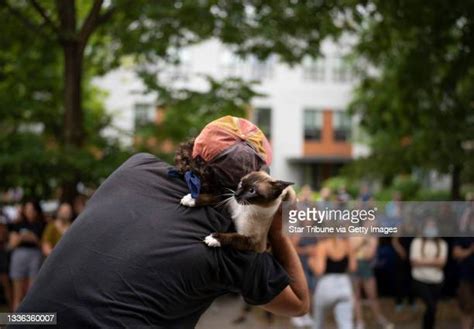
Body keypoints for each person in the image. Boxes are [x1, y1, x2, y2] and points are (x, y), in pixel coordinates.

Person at [16, 116, 309, 328]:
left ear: (195, 150)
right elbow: (298, 303)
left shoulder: (136, 167)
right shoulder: (232, 246)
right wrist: (277, 230)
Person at [309, 237, 356, 329]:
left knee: (318, 322)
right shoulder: (347, 244)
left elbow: (319, 270)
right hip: (344, 284)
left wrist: (311, 262)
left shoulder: (323, 245)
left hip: (326, 284)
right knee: (346, 324)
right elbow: (353, 267)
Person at [410, 220, 447, 329]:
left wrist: (423, 261)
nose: (430, 229)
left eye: (433, 226)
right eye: (428, 226)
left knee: (433, 309)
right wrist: (434, 261)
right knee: (431, 307)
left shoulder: (442, 244)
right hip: (420, 280)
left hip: (437, 281)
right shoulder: (417, 242)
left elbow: (441, 263)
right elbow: (414, 263)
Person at [8, 200, 45, 311]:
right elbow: (11, 244)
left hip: (35, 256)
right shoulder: (18, 224)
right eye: (27, 209)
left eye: (32, 209)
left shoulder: (41, 224)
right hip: (19, 256)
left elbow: (42, 243)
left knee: (31, 293)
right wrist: (22, 237)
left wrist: (32, 238)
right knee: (17, 294)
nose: (30, 212)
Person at [290, 185, 318, 328]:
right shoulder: (298, 231)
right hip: (301, 265)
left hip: (313, 265)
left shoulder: (315, 232)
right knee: (303, 291)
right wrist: (306, 250)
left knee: (312, 291)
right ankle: (299, 316)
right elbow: (293, 249)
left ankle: (307, 315)